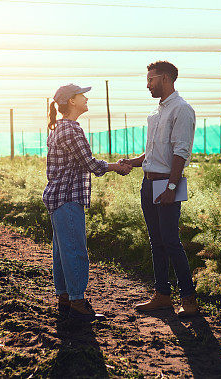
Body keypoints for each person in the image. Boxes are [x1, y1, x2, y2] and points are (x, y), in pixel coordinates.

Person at [44, 83, 132, 322]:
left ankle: (65, 298)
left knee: (63, 251)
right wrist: (117, 167)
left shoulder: (59, 128)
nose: (86, 98)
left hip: (58, 197)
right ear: (72, 101)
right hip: (68, 197)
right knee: (75, 250)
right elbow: (90, 164)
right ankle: (78, 303)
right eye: (82, 95)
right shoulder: (72, 129)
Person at [120, 61, 199, 316]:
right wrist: (132, 162)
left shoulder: (182, 109)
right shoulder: (155, 114)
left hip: (167, 183)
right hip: (149, 183)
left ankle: (189, 300)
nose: (147, 85)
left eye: (150, 79)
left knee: (171, 241)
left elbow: (180, 152)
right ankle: (162, 295)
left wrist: (172, 186)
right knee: (157, 242)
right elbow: (153, 153)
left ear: (165, 78)